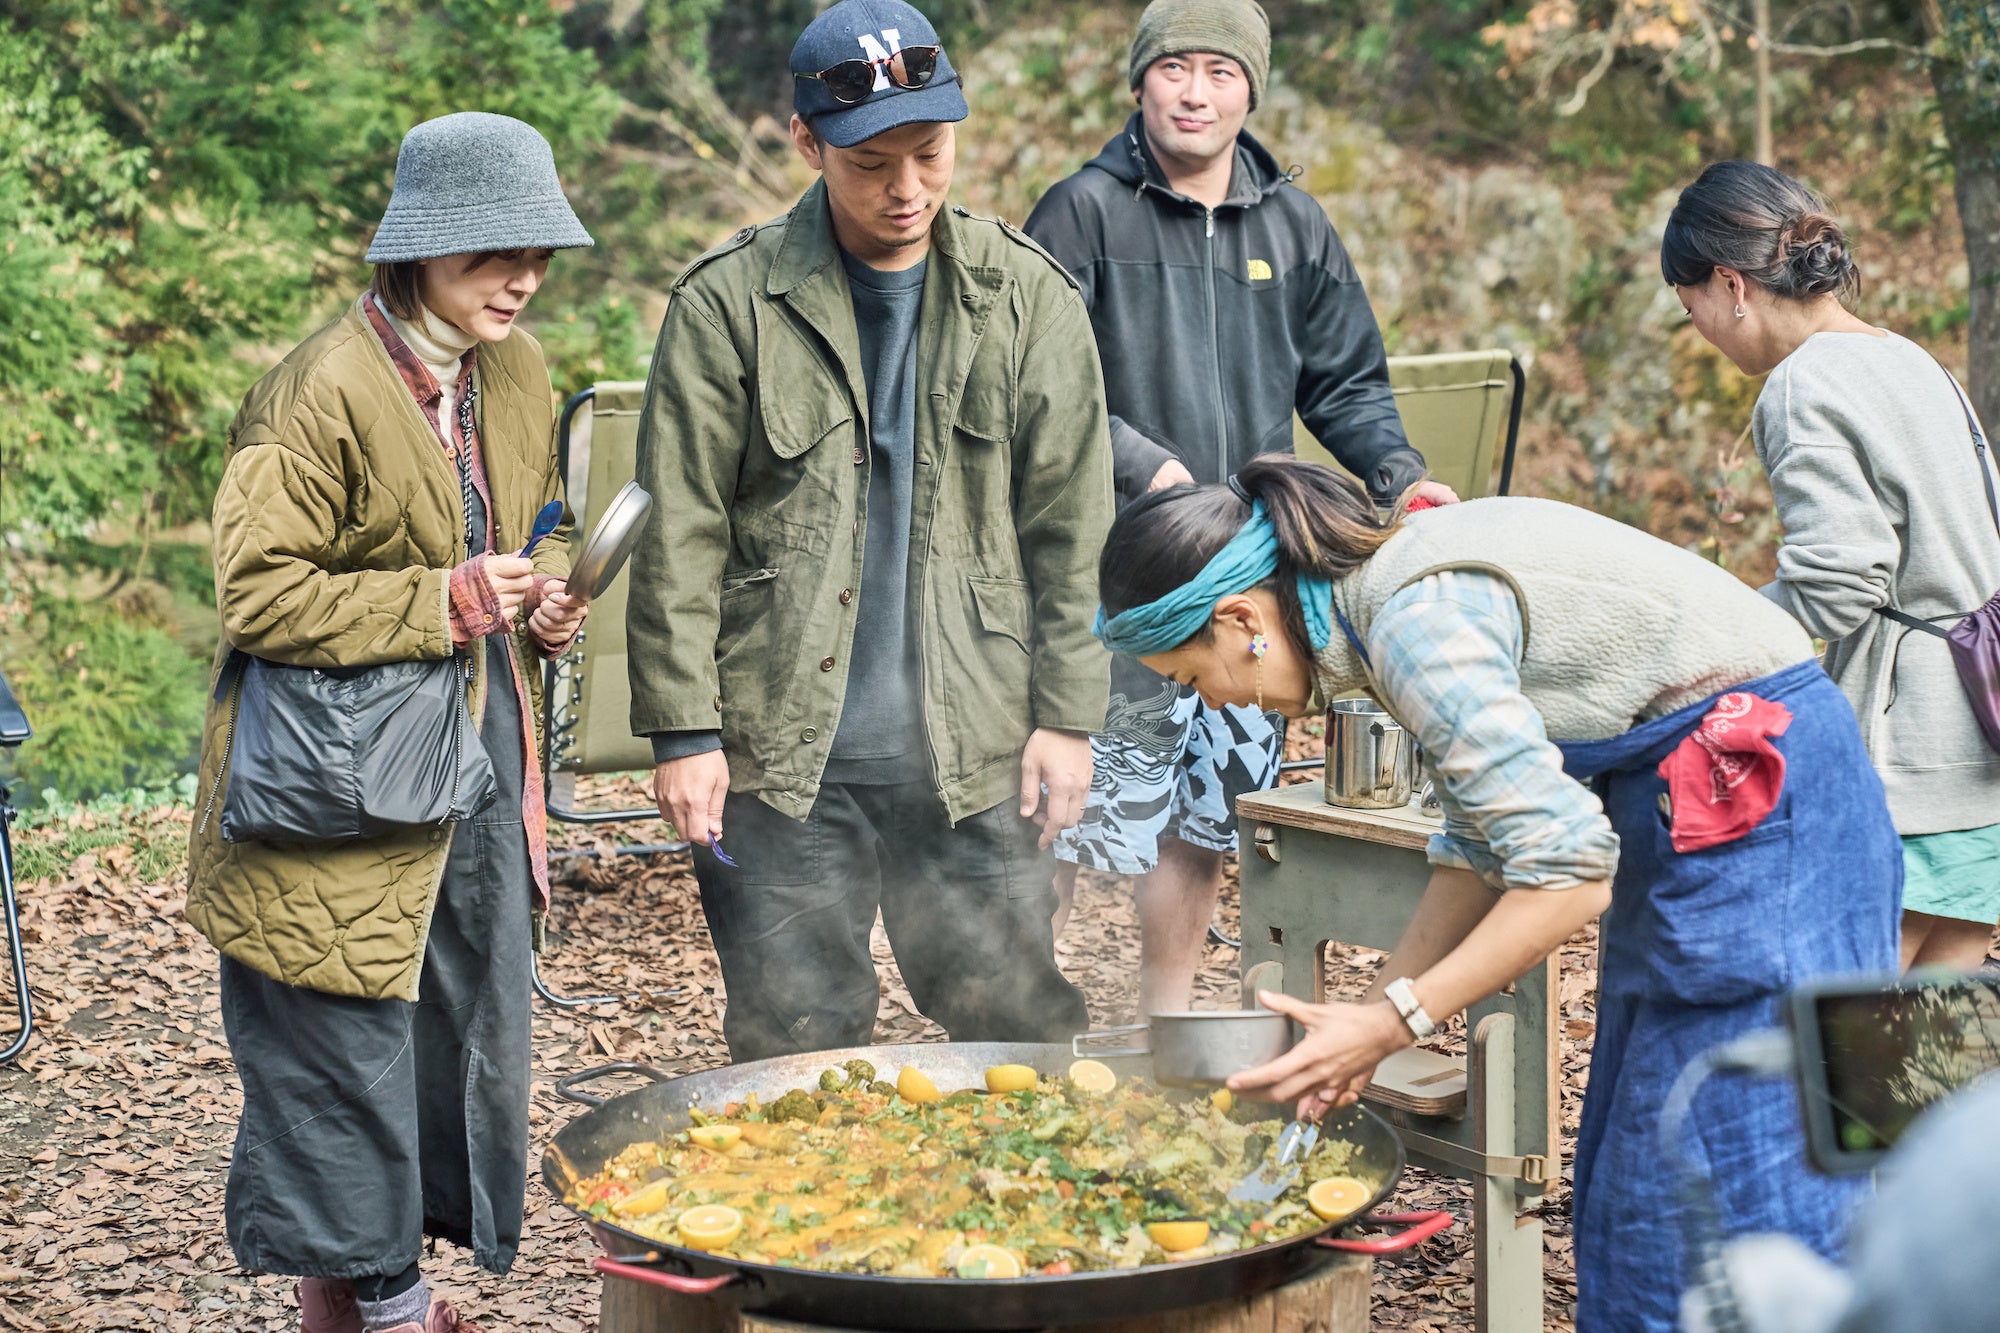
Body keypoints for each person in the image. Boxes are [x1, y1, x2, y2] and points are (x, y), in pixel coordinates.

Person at [1092, 455, 1901, 1333]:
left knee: (1725, 1180)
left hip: (1768, 819)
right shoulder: (1383, 601)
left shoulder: (1411, 623)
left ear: (1241, 618)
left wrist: (1400, 1015)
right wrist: (1366, 1022)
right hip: (1701, 814)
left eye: (1190, 677)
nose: (1209, 703)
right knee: (1637, 1168)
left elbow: (1568, 876)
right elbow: (1478, 847)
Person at [627, 0, 1111, 1062]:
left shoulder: (1028, 298)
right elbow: (681, 536)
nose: (907, 190)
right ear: (806, 143)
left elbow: (1070, 532)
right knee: (794, 1041)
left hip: (978, 738)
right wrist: (684, 731)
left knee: (1016, 1031)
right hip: (781, 749)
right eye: (871, 163)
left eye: (930, 156)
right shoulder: (728, 305)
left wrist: (1068, 718)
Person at [183, 113, 593, 1333]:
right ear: (416, 255)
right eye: (491, 256)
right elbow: (260, 594)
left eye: (537, 253)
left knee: (450, 1027)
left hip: (471, 752)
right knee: (337, 1039)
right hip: (326, 773)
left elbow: (547, 517)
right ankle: (395, 1310)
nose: (521, 279)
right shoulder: (316, 393)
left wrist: (551, 587)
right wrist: (454, 596)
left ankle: (355, 1298)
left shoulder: (513, 368)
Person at [1023, 0, 1456, 1013]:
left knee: (1203, 815)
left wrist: (1395, 473)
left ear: (1249, 90)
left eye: (1219, 72)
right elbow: (1039, 380)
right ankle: (1023, 1005)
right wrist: (1143, 467)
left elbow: (1345, 381)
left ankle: (1164, 1014)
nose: (1194, 92)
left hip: (1250, 581)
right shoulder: (1081, 211)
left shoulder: (1291, 223)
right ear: (1139, 82)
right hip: (1122, 573)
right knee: (1072, 807)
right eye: (1174, 68)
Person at [1665, 160, 2000, 975]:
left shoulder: (1802, 384)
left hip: (1908, 756)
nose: (1702, 329)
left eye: (1693, 307)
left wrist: (1715, 632)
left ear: (1730, 282)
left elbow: (1840, 579)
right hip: (1982, 740)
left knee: (1846, 1041)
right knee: (1934, 1051)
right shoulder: (1910, 358)